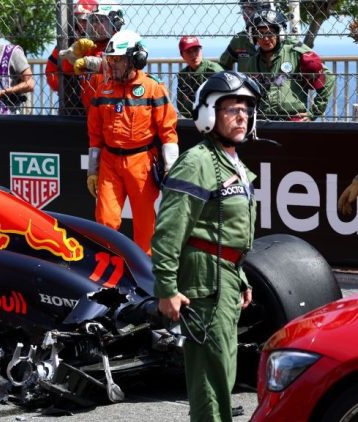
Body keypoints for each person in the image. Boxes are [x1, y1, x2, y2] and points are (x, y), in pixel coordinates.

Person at [152, 71, 259, 422]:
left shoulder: (233, 162)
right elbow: (169, 230)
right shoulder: (197, 161)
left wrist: (239, 276)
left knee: (223, 371)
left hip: (225, 278)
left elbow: (226, 229)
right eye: (231, 109)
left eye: (246, 108)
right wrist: (166, 287)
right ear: (210, 114)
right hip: (204, 281)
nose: (241, 116)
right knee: (210, 382)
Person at [86, 30, 178, 255]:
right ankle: (108, 272)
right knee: (105, 222)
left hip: (142, 163)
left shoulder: (153, 88)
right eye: (111, 60)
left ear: (135, 59)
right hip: (109, 163)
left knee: (145, 226)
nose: (113, 65)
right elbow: (95, 134)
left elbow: (168, 131)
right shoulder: (103, 89)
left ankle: (145, 276)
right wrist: (92, 170)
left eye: (118, 59)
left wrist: (170, 170)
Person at [239, 9, 335, 121]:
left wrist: (314, 112)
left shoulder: (295, 53)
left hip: (293, 120)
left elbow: (329, 77)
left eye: (270, 33)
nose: (265, 39)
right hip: (262, 120)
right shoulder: (252, 62)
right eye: (260, 34)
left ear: (279, 33)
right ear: (253, 36)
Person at [44, 0, 98, 114]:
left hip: (96, 101)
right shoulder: (67, 44)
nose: (83, 24)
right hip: (71, 102)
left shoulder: (101, 44)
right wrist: (63, 88)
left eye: (87, 19)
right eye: (80, 20)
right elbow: (50, 70)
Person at [177, 36, 223, 118]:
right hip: (194, 119)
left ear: (201, 51)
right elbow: (182, 109)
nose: (194, 55)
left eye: (196, 50)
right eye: (188, 52)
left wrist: (193, 100)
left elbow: (222, 102)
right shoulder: (183, 74)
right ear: (182, 55)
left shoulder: (214, 71)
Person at [219, 0, 269, 71]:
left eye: (251, 9)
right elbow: (222, 66)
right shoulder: (240, 40)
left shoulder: (278, 38)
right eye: (244, 9)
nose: (246, 14)